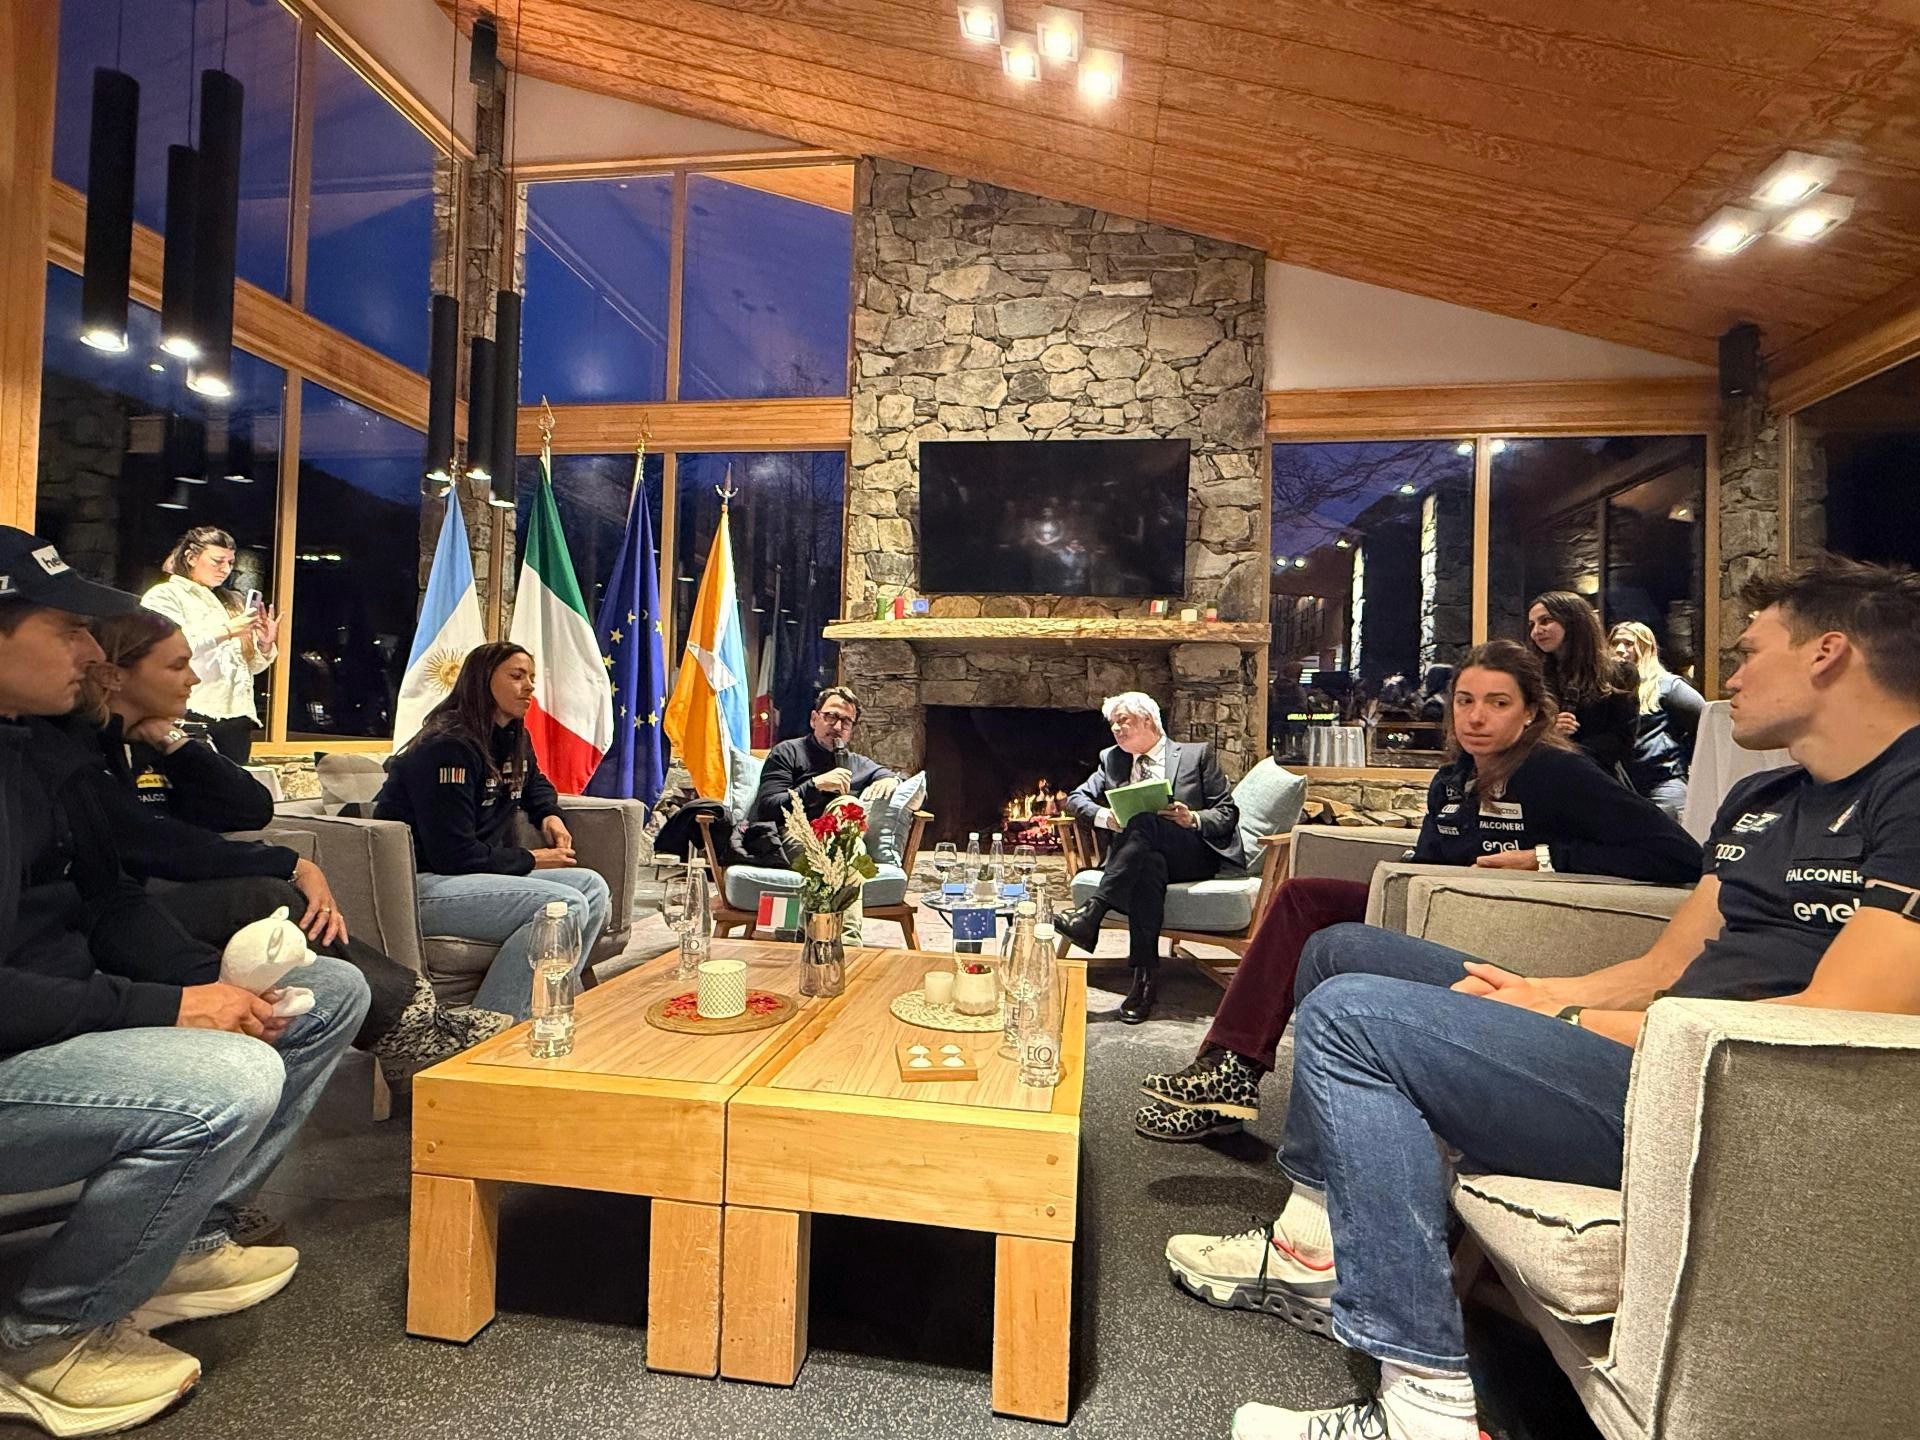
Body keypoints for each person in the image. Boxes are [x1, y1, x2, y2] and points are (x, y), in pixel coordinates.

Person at [1163, 556, 1920, 1440]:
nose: (1732, 676)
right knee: (1342, 950)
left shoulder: (1908, 793)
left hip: (1726, 1100)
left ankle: (1426, 1408)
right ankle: (1313, 1243)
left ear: (1828, 652)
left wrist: (1571, 1018)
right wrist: (1543, 991)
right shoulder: (1764, 797)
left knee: (1351, 1017)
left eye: (1751, 651)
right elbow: (1665, 964)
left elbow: (1836, 1024)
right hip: (1651, 1050)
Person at [0, 526, 369, 1436]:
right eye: (67, 630)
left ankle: (181, 1242)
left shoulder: (36, 749)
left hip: (57, 1019)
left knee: (321, 998)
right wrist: (166, 1008)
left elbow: (111, 899)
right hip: (26, 1044)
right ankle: (44, 1343)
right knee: (228, 1081)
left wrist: (213, 991)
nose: (90, 653)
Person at [1135, 641, 1701, 1141]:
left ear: (1530, 713)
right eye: (1465, 701)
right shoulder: (1453, 779)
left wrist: (1548, 858)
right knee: (1301, 899)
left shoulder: (1558, 773)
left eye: (1498, 703)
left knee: (1304, 902)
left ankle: (1231, 1070)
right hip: (1428, 909)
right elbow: (1432, 856)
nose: (1476, 716)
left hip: (1495, 932)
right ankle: (1230, 1071)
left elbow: (1678, 855)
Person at [83, 609, 509, 1085]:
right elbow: (151, 841)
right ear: (116, 675)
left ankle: (422, 1024)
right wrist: (291, 862)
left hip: (155, 900)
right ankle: (412, 1025)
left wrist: (175, 742)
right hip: (113, 912)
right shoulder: (80, 751)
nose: (194, 678)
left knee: (336, 976)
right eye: (177, 665)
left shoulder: (154, 743)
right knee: (263, 894)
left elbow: (251, 808)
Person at [373, 643, 607, 1020]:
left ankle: (543, 1009)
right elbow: (452, 855)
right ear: (483, 680)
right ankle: (497, 1025)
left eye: (531, 677)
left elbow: (533, 782)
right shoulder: (447, 745)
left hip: (474, 876)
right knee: (562, 905)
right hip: (424, 883)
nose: (529, 686)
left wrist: (550, 814)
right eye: (516, 676)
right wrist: (533, 859)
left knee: (592, 887)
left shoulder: (512, 735)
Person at [1058, 692, 1243, 1024]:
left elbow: (1227, 812)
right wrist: (1106, 817)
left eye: (1123, 721)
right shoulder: (1112, 759)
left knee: (1145, 822)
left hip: (1189, 854)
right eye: (1112, 723)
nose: (1115, 729)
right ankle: (1144, 980)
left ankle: (1093, 912)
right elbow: (1075, 799)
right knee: (1149, 865)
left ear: (1148, 720)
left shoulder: (1195, 755)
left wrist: (1192, 818)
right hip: (1139, 858)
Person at [140, 526, 277, 763]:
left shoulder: (230, 601)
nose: (225, 569)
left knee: (232, 783)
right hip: (189, 710)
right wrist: (227, 631)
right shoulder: (164, 595)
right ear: (191, 558)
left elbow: (251, 667)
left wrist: (264, 645)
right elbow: (166, 650)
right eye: (217, 561)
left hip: (236, 714)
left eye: (230, 563)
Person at [747, 685, 899, 850]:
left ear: (851, 731)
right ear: (814, 719)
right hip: (794, 832)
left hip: (839, 841)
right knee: (847, 806)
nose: (837, 727)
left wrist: (891, 779)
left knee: (850, 820)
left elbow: (897, 779)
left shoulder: (857, 763)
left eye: (846, 721)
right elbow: (767, 808)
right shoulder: (787, 752)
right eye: (831, 716)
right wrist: (815, 785)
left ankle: (844, 857)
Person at [1525, 589, 1637, 776]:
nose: (1536, 631)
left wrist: (1569, 750)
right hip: (1542, 773)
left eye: (1545, 621)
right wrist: (1548, 733)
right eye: (1532, 624)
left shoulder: (1621, 673)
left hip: (1594, 776)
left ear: (1573, 622)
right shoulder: (1532, 675)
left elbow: (1622, 739)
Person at [1609, 620, 1708, 819]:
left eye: (1629, 643)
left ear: (1646, 647)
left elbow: (1705, 723)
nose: (1619, 649)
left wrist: (1679, 757)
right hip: (1622, 784)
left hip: (1662, 783)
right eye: (1615, 643)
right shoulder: (1606, 689)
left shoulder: (1667, 685)